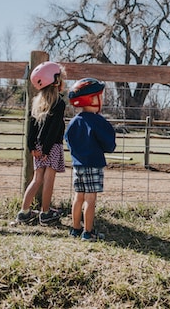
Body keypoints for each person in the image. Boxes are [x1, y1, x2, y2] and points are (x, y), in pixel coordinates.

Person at [15, 61, 67, 226]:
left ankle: (24, 212)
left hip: (38, 147)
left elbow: (32, 128)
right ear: (56, 81)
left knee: (37, 179)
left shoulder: (36, 103)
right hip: (51, 147)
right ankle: (45, 213)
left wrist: (32, 147)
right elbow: (52, 129)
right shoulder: (59, 103)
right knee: (49, 179)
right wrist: (46, 149)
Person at [64, 78, 116, 242]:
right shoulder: (98, 122)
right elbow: (109, 145)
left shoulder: (73, 122)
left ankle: (75, 228)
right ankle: (88, 231)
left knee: (78, 196)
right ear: (93, 99)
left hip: (77, 166)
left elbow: (68, 139)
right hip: (93, 165)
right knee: (90, 199)